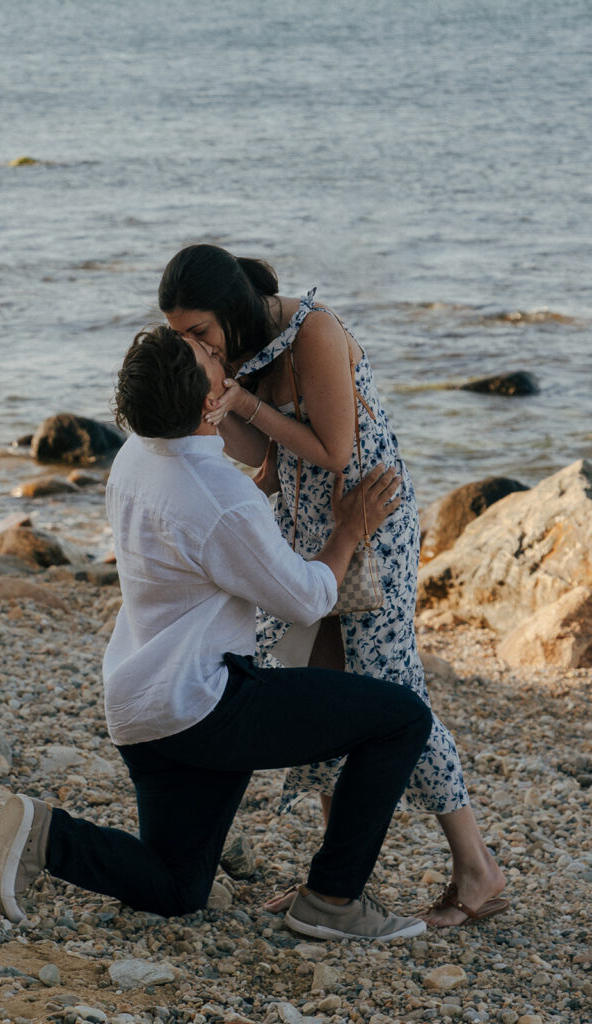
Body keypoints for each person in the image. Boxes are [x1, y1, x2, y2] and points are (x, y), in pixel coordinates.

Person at [0, 325, 433, 942]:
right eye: (213, 362)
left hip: (143, 711)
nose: (225, 362)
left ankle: (47, 834)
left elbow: (198, 535)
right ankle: (332, 898)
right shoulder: (218, 497)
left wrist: (258, 490)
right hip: (205, 709)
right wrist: (348, 528)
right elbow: (305, 598)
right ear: (205, 403)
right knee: (401, 717)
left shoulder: (136, 455)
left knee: (177, 888)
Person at [159, 245, 509, 928]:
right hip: (305, 533)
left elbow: (333, 450)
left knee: (391, 687)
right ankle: (336, 883)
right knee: (323, 694)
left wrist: (244, 405)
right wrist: (220, 398)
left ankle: (478, 870)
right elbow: (263, 457)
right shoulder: (237, 348)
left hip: (368, 526)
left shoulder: (313, 330)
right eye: (180, 336)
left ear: (229, 308)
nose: (192, 344)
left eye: (197, 332)